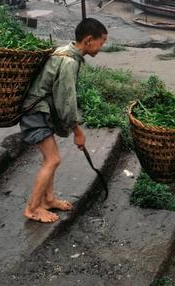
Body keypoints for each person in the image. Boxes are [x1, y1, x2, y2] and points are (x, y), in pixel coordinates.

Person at [19, 18, 108, 223]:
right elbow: (65, 101)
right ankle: (32, 208)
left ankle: (48, 200)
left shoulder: (66, 51)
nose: (102, 47)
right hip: (36, 113)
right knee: (53, 159)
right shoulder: (68, 62)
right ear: (88, 40)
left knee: (51, 158)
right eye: (101, 42)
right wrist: (77, 131)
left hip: (40, 111)